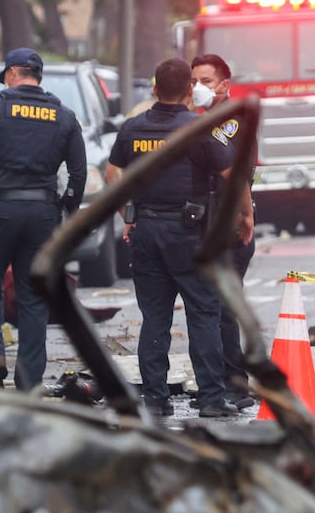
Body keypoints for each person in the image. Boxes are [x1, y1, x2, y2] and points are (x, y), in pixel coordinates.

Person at [108, 58, 238, 418]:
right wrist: (242, 217)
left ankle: (155, 398)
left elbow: (111, 175)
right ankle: (211, 399)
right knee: (203, 314)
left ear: (154, 89)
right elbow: (233, 174)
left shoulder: (132, 128)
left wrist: (128, 217)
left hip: (147, 231)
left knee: (154, 317)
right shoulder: (200, 127)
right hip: (189, 234)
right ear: (189, 90)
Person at [0, 47, 88, 390]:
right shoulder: (65, 116)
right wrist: (66, 209)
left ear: (13, 73)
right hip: (43, 214)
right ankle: (29, 378)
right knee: (33, 295)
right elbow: (78, 173)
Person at [191, 53, 259, 409]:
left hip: (230, 224)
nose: (197, 88)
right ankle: (218, 384)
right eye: (193, 81)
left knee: (222, 306)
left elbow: (235, 172)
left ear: (224, 85)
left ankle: (234, 385)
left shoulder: (233, 121)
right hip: (204, 224)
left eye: (205, 81)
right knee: (210, 306)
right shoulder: (199, 118)